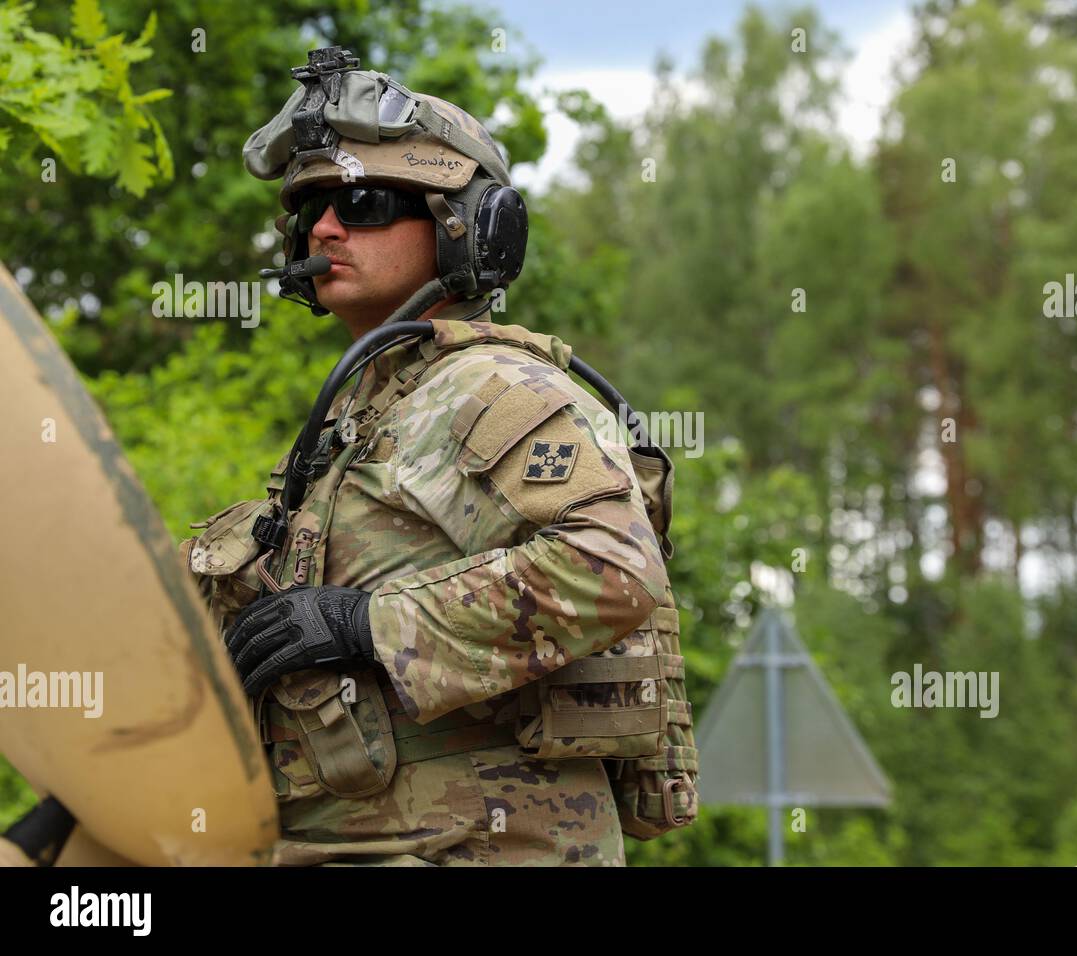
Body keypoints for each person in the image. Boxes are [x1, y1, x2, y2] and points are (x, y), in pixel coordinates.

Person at [182, 52, 697, 866]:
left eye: (364, 202)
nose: (323, 229)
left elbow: (614, 569)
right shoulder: (366, 413)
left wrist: (366, 624)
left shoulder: (492, 389)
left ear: (469, 225)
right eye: (312, 206)